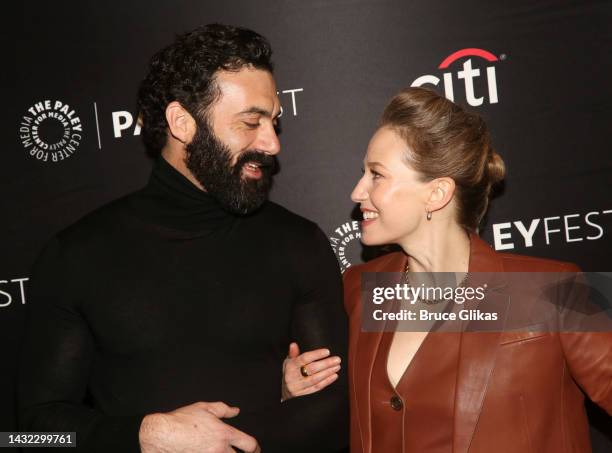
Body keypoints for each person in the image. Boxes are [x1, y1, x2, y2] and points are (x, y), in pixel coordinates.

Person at [18, 24, 348, 453]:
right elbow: (30, 434)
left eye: (273, 123)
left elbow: (338, 409)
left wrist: (237, 440)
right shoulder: (76, 255)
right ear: (182, 123)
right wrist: (145, 436)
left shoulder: (297, 243)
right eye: (251, 122)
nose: (270, 143)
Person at [283, 87, 612, 452]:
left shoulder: (557, 288)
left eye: (377, 175)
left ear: (436, 194)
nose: (357, 192)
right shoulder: (359, 288)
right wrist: (292, 389)